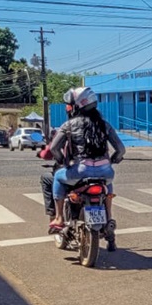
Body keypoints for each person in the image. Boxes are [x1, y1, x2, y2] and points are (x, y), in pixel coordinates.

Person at [47, 87, 125, 231]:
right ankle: (108, 217)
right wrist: (113, 160)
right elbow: (121, 150)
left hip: (80, 171)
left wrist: (61, 160)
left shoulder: (69, 125)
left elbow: (54, 148)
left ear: (77, 105)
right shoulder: (104, 125)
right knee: (106, 184)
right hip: (105, 172)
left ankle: (59, 218)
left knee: (58, 177)